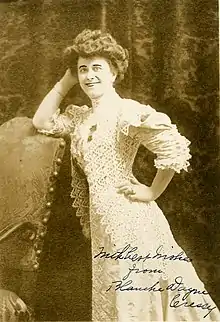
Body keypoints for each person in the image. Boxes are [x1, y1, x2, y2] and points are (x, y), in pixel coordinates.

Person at [32, 29, 220, 321]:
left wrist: (152, 192)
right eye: (83, 69)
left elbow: (172, 148)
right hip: (102, 221)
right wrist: (66, 80)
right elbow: (42, 121)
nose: (89, 76)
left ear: (114, 73)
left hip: (131, 220)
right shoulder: (81, 118)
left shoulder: (125, 112)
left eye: (97, 68)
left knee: (135, 296)